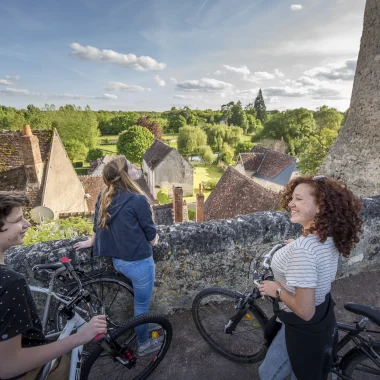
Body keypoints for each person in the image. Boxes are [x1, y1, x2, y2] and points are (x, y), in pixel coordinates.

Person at [257, 175, 363, 380]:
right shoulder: (326, 235)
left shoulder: (304, 250)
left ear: (320, 207)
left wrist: (275, 289)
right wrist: (295, 246)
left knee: (269, 374)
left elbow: (305, 311)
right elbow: (314, 258)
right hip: (322, 317)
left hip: (302, 325)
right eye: (292, 198)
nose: (290, 203)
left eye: (298, 199)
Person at [0, 192, 107, 380]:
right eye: (18, 220)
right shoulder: (10, 282)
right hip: (32, 373)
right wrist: (81, 337)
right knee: (63, 364)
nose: (27, 224)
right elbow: (8, 365)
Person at [74, 155, 160, 356]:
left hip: (119, 262)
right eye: (131, 166)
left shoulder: (105, 196)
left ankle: (144, 329)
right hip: (139, 263)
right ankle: (144, 344)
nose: (135, 168)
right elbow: (151, 234)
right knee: (141, 306)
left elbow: (97, 222)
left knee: (140, 305)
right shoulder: (138, 199)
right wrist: (155, 240)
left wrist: (91, 241)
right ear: (124, 174)